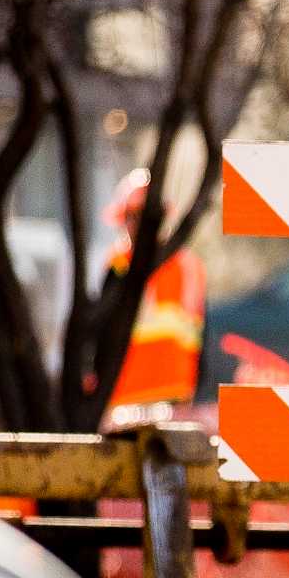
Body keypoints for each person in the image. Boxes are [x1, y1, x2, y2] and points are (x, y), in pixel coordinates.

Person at [99, 169, 207, 427]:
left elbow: (199, 332)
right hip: (125, 401)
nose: (135, 226)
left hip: (173, 400)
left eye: (140, 217)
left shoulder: (186, 266)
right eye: (131, 217)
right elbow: (100, 335)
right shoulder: (117, 265)